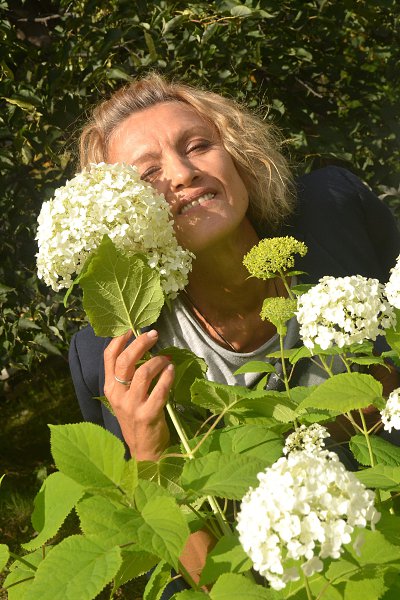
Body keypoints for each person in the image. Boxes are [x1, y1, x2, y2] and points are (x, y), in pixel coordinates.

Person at [69, 73, 400, 594]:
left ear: (240, 156)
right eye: (148, 171)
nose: (181, 173)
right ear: (118, 216)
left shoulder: (337, 212)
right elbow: (209, 583)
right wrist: (150, 456)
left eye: (199, 145)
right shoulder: (113, 354)